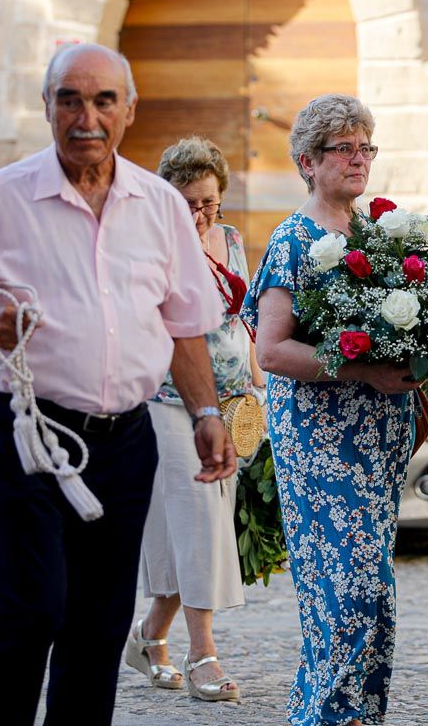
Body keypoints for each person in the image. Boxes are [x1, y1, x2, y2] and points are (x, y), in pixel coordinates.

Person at [0, 43, 235, 726]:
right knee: (29, 613)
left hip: (125, 440)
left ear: (128, 111)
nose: (85, 116)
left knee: (97, 627)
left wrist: (207, 409)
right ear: (47, 108)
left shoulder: (159, 205)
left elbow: (183, 324)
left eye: (101, 101)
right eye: (69, 99)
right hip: (24, 433)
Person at [242, 93, 422, 726]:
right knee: (341, 590)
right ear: (306, 163)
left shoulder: (375, 236)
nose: (358, 158)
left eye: (365, 146)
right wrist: (365, 369)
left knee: (372, 594)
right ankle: (321, 717)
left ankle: (355, 717)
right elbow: (271, 349)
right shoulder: (296, 238)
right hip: (321, 443)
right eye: (343, 148)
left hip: (377, 442)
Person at [125, 136, 263, 702]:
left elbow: (243, 318)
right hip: (167, 400)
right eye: (186, 202)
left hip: (231, 402)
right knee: (199, 517)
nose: (198, 213)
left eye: (207, 201)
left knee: (198, 526)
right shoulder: (150, 246)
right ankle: (202, 652)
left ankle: (149, 636)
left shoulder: (229, 240)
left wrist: (259, 386)